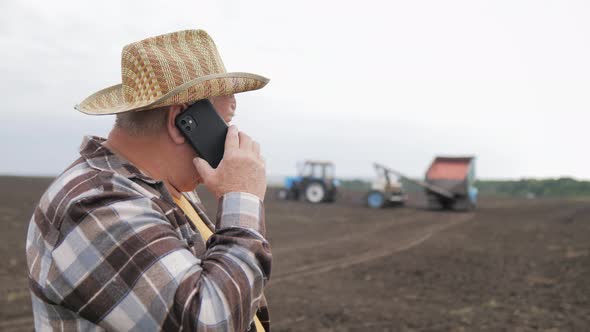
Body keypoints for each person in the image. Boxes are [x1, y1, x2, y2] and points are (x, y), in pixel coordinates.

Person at [26, 29, 272, 331]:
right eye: (228, 123)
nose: (235, 137)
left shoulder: (162, 188)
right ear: (183, 122)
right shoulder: (95, 206)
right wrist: (241, 200)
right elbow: (210, 321)